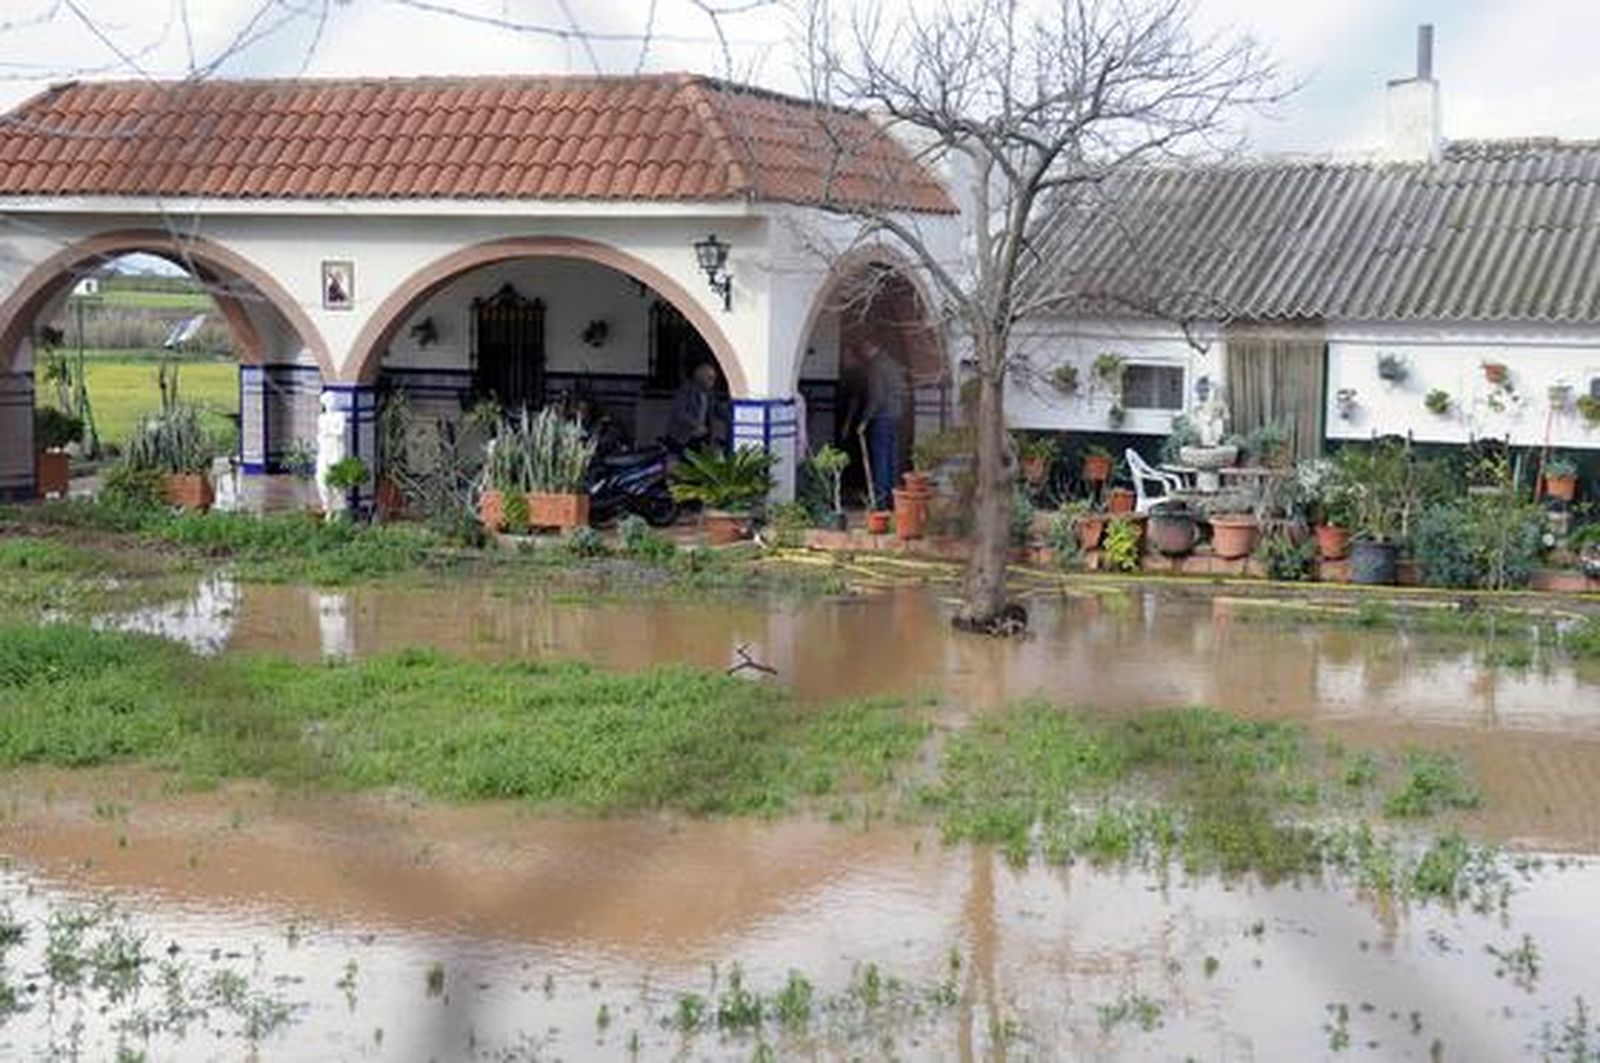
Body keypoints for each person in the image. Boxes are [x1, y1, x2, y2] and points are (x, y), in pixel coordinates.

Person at [856, 342, 907, 509]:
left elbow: (877, 397)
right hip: (896, 416)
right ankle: (893, 500)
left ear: (867, 348)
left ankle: (880, 502)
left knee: (881, 460)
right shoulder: (893, 363)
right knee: (893, 460)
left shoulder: (876, 366)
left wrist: (864, 420)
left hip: (882, 417)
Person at [666, 361, 718, 453]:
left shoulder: (709, 394)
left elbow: (715, 410)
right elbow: (680, 412)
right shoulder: (686, 390)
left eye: (714, 378)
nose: (713, 382)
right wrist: (696, 424)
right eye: (710, 378)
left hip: (700, 438)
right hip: (682, 438)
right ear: (700, 377)